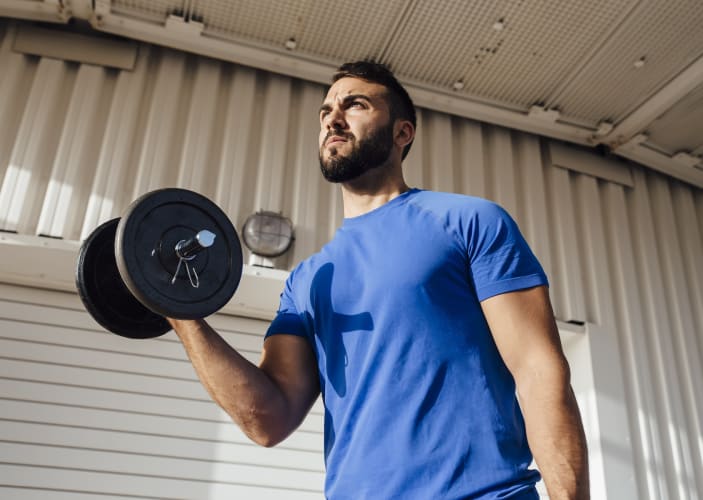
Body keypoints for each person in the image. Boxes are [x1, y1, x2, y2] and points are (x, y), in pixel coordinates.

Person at [168, 61, 589, 499]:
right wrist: (179, 313)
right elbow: (267, 420)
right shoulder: (309, 280)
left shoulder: (468, 221)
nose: (333, 117)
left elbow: (539, 371)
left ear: (402, 133)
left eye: (356, 105)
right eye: (326, 110)